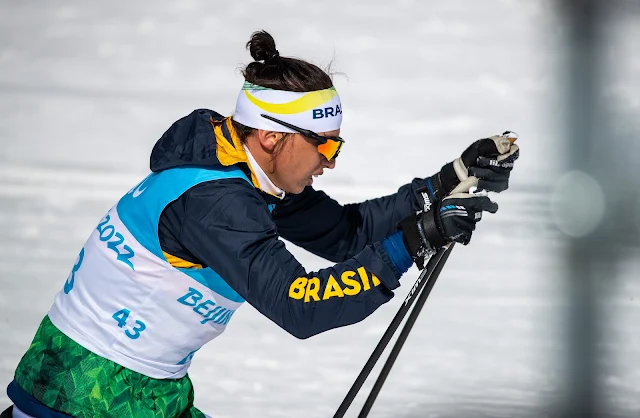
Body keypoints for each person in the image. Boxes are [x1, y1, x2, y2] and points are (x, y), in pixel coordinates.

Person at [2, 30, 519, 418]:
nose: (331, 162)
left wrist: (444, 184)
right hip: (83, 396)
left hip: (146, 393)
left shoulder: (243, 174)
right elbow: (300, 305)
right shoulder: (217, 202)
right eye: (325, 145)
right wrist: (414, 240)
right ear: (273, 137)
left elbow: (344, 235)